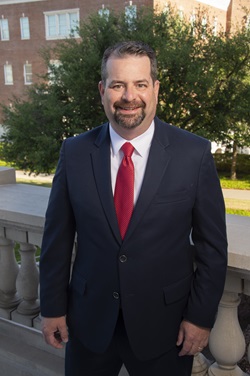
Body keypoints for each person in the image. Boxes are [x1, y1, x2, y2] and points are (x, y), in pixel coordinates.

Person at [40, 41, 228, 376]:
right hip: (89, 322)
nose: (129, 96)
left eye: (140, 84)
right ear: (102, 91)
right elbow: (57, 239)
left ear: (155, 89)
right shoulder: (75, 153)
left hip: (167, 328)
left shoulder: (194, 154)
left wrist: (200, 317)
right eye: (117, 85)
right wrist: (53, 307)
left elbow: (212, 248)